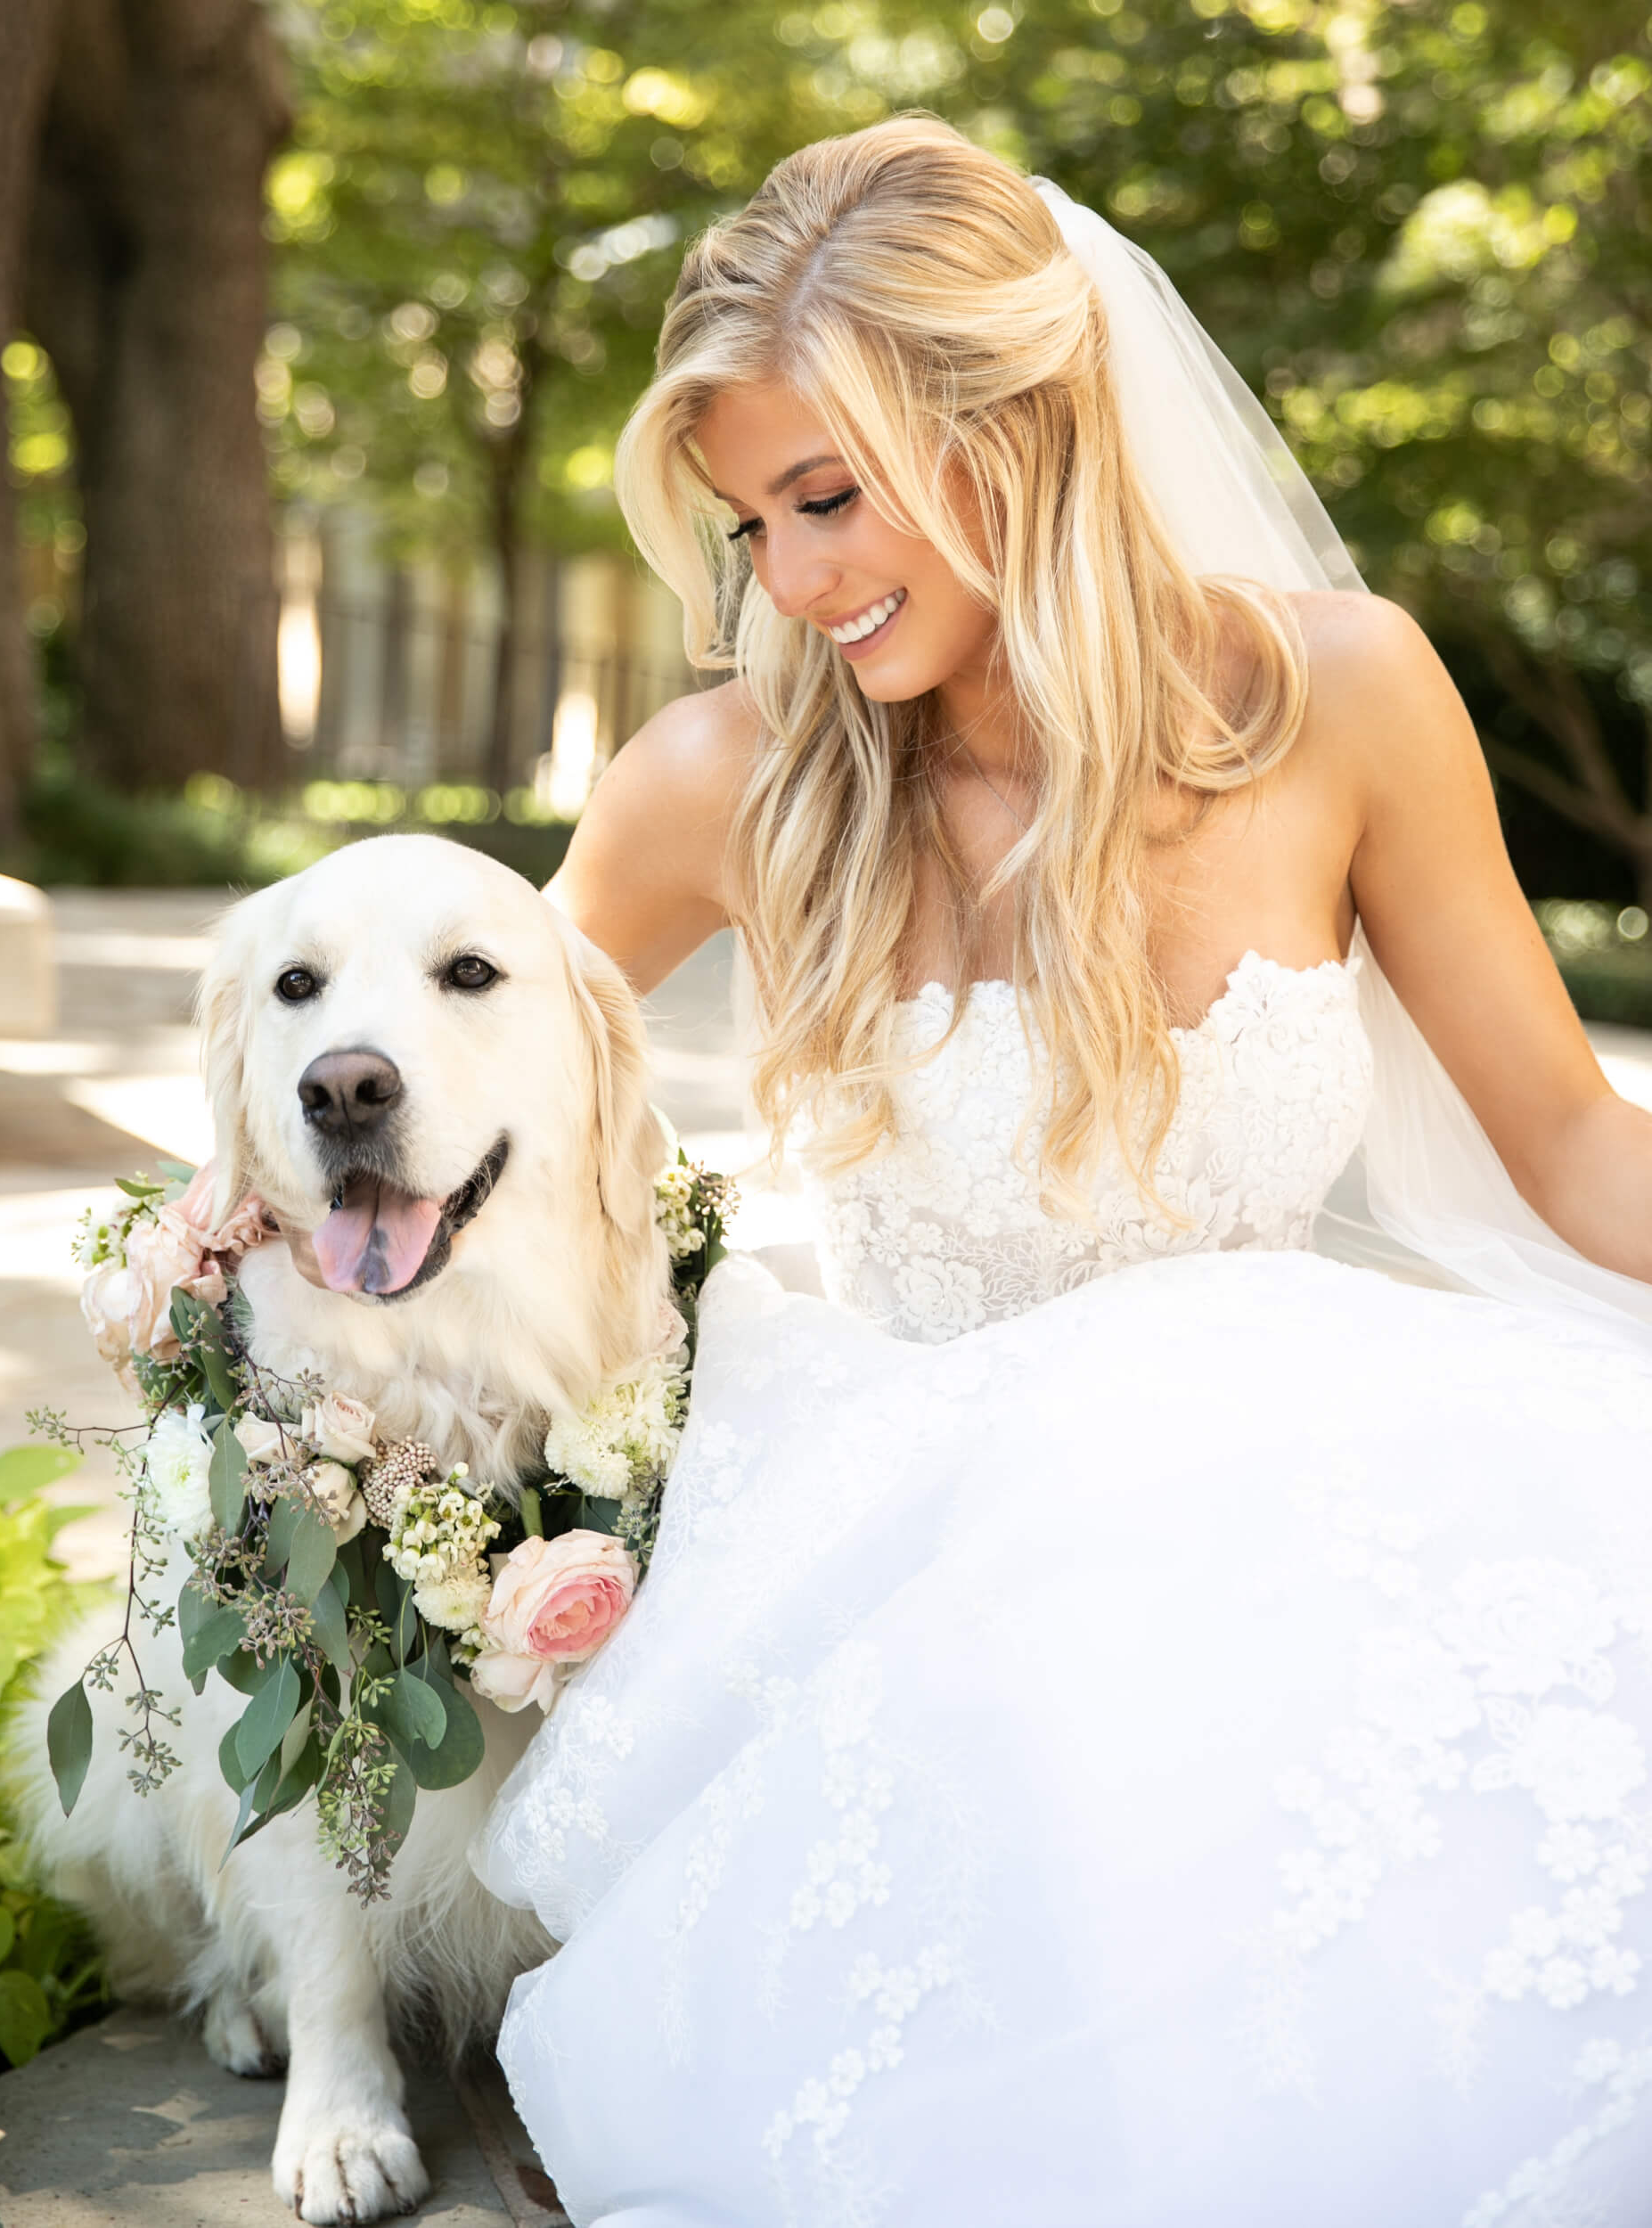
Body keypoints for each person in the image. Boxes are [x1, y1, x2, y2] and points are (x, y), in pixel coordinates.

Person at [472, 115, 1652, 2227]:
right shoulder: (717, 785)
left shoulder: (1338, 694)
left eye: (825, 497)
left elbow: (1567, 1133)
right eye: (752, 525)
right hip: (918, 1553)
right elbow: (457, 1095)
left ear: (1013, 416)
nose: (794, 581)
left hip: (1300, 1501)